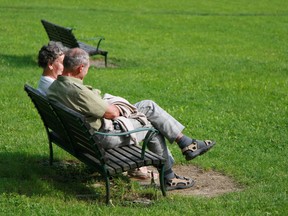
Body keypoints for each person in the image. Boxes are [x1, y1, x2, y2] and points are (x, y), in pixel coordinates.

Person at [47, 48, 216, 191]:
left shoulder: (56, 86)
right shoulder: (76, 90)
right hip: (102, 137)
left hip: (79, 137)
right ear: (80, 68)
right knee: (151, 125)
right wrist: (122, 108)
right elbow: (111, 113)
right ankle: (170, 174)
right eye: (87, 68)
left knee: (148, 106)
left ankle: (185, 144)